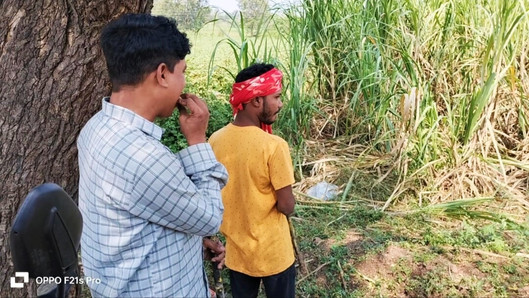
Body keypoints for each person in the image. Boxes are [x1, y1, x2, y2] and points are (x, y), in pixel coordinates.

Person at [77, 13, 228, 297]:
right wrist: (197, 140)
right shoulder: (144, 157)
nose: (183, 82)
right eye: (182, 72)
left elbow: (137, 215)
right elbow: (209, 219)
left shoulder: (95, 128)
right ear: (161, 74)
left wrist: (186, 245)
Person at [208, 63, 296, 298]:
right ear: (256, 100)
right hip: (274, 255)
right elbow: (287, 206)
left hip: (238, 254)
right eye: (276, 97)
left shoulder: (215, 140)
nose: (280, 104)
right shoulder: (274, 146)